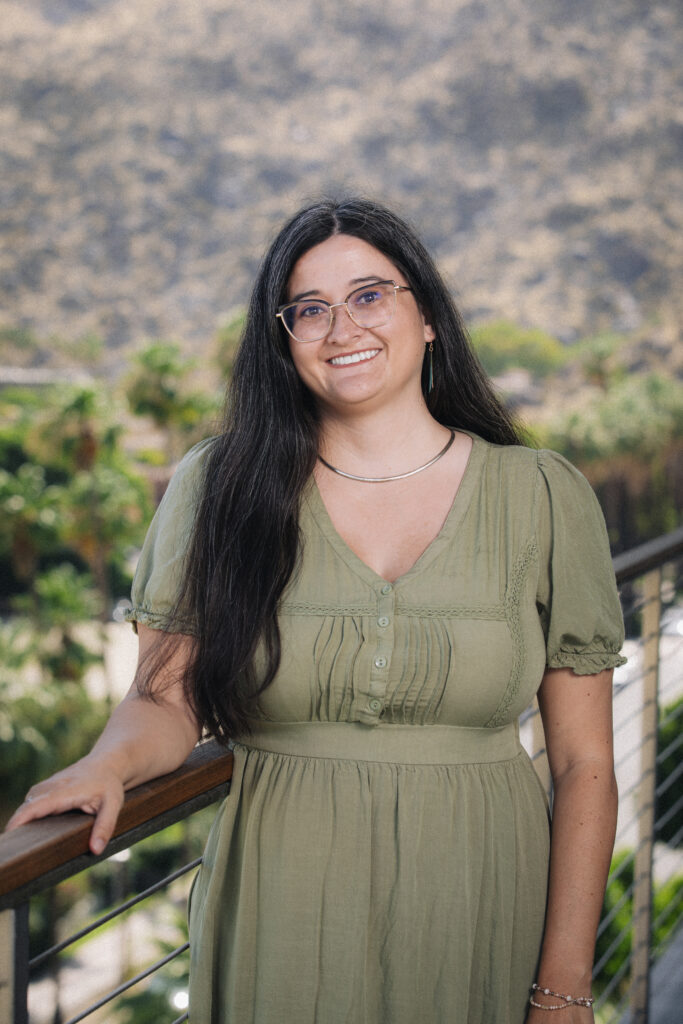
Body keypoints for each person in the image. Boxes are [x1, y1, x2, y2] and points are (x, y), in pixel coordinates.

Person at [7, 197, 626, 1024]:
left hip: (482, 902)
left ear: (429, 315)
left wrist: (561, 987)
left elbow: (584, 764)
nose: (342, 329)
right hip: (279, 901)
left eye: (370, 295)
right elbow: (162, 700)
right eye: (310, 309)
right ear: (284, 339)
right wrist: (106, 766)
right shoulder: (219, 488)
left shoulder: (542, 495)